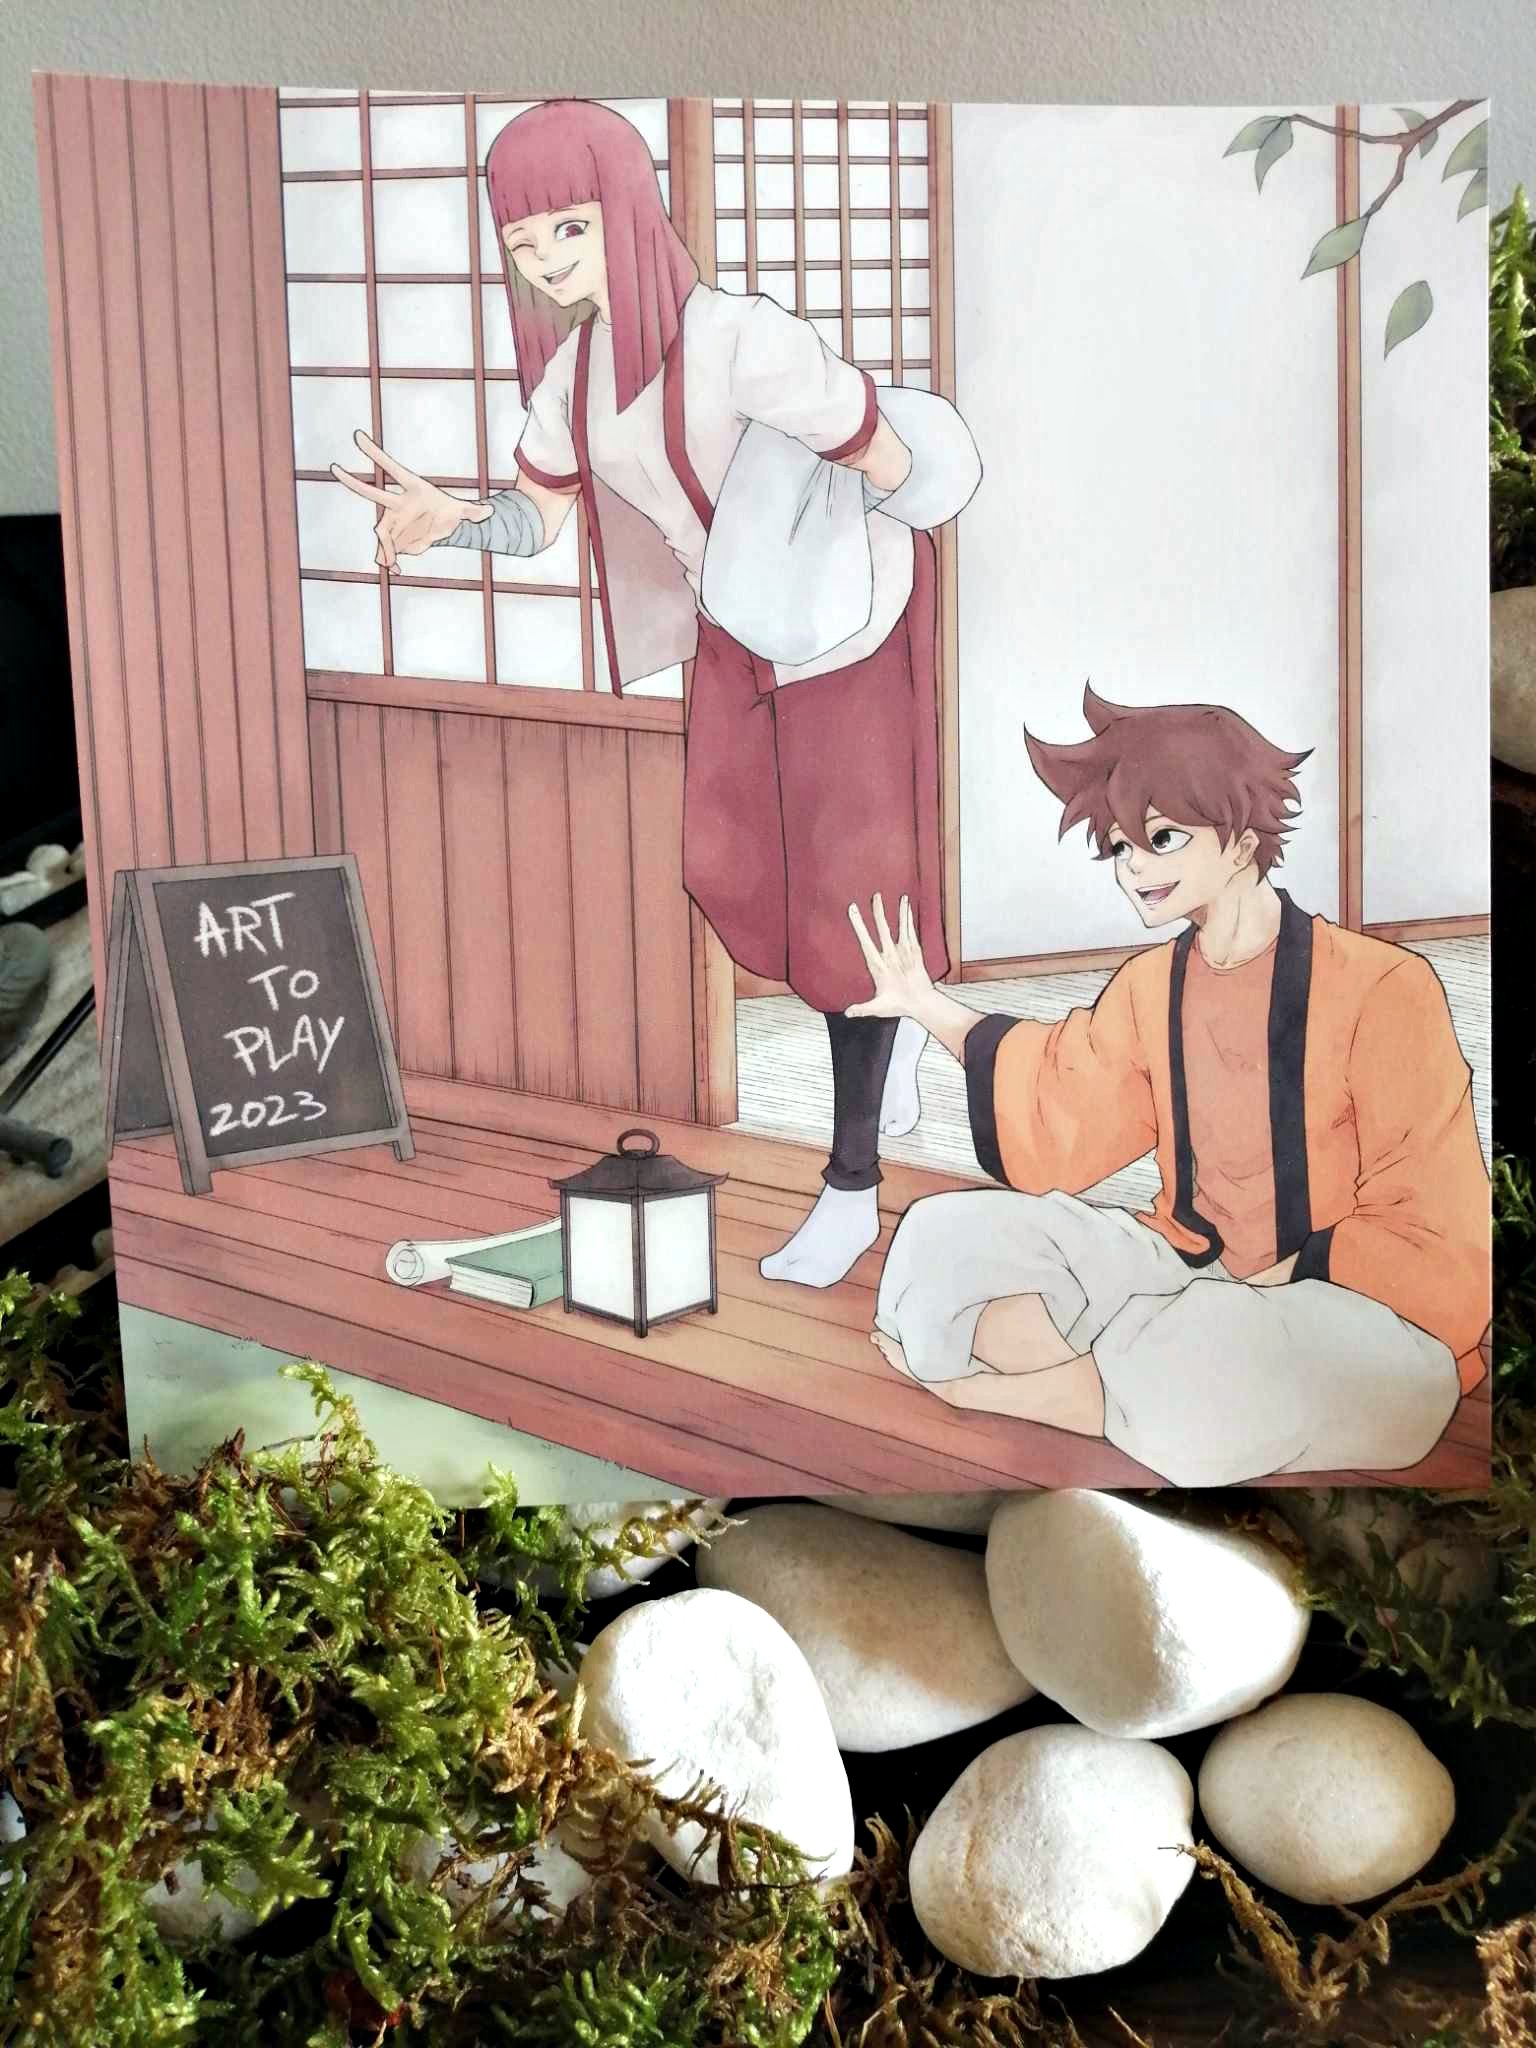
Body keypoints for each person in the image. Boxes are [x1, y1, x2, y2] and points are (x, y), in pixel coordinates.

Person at [332, 100, 977, 1289]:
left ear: (628, 209)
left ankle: (851, 1185)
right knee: (727, 866)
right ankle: (896, 1042)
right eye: (523, 244)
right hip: (733, 632)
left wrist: (817, 545)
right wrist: (451, 521)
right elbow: (539, 513)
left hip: (848, 625)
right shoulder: (575, 376)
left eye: (568, 228)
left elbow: (892, 458)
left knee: (848, 902)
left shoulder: (740, 337)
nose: (547, 261)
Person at [844, 686, 1490, 1487]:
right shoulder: (1153, 985)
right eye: (1120, 847)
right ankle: (1113, 1386)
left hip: (1357, 1313)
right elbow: (1059, 1096)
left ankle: (1021, 1387)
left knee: (1216, 1346)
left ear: (1244, 842)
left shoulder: (1387, 987)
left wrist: (1271, 1285)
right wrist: (924, 1003)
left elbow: (1440, 1232)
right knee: (937, 1239)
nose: (1134, 868)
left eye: (1161, 838)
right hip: (1190, 1271)